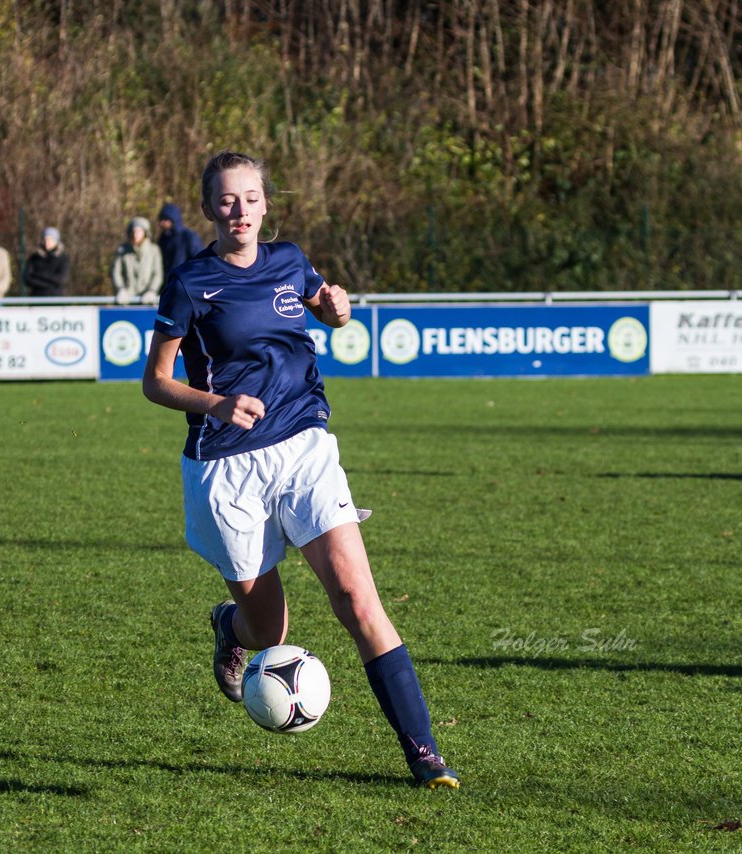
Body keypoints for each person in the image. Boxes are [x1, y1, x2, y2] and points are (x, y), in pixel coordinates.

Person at [142, 151, 459, 789]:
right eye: (227, 200)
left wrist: (337, 310)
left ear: (265, 203)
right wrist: (216, 403)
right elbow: (154, 382)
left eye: (251, 198)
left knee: (355, 598)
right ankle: (229, 628)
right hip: (227, 467)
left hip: (305, 446)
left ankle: (425, 755)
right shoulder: (190, 282)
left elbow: (323, 307)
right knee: (270, 628)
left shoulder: (290, 259)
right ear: (209, 208)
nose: (241, 211)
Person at [111, 216, 163, 304]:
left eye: (139, 231)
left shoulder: (154, 250)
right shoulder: (122, 251)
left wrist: (152, 290)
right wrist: (121, 289)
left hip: (147, 301)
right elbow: (116, 272)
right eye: (133, 231)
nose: (136, 234)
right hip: (126, 301)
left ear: (145, 232)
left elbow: (157, 274)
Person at [156, 203, 203, 285]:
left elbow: (199, 262)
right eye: (161, 219)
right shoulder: (163, 239)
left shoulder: (189, 237)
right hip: (167, 284)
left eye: (165, 219)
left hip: (186, 283)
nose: (161, 223)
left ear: (173, 219)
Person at [22, 226, 70, 297]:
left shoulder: (63, 258)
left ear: (56, 241)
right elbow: (27, 279)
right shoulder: (34, 258)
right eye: (45, 239)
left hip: (56, 300)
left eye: (50, 239)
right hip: (36, 299)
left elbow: (61, 279)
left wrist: (39, 274)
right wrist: (50, 283)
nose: (47, 242)